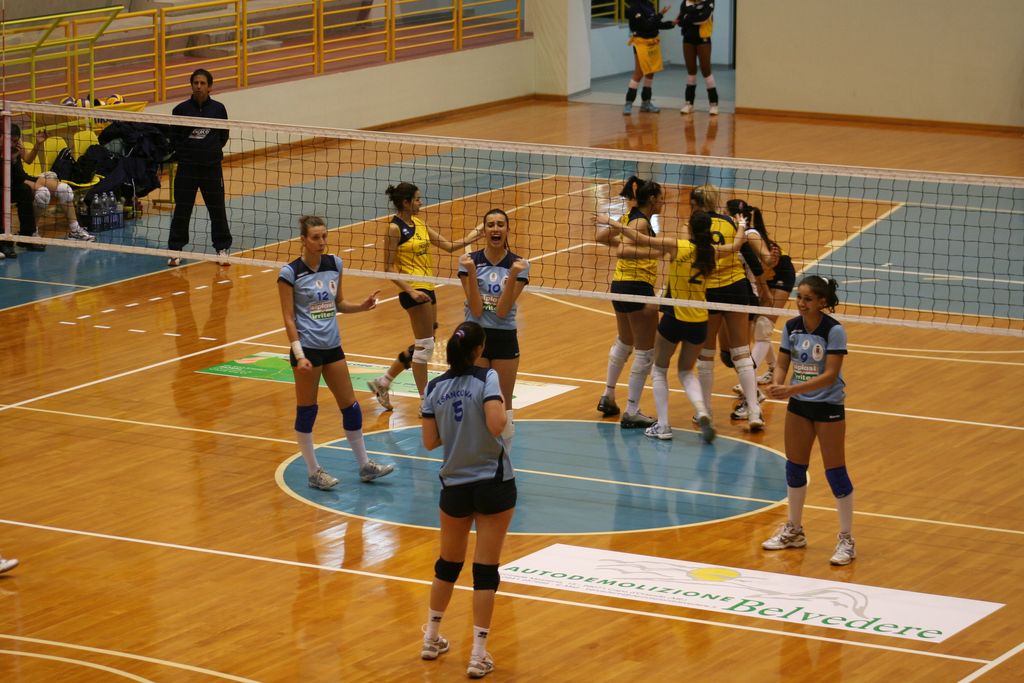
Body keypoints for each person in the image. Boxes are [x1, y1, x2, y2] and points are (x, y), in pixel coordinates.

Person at [419, 321, 513, 679]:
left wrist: (458, 428)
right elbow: (496, 425)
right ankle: (477, 654)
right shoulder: (487, 378)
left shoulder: (434, 387)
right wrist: (496, 409)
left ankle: (431, 638)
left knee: (448, 563)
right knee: (485, 570)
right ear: (478, 350)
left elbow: (429, 441)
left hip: (454, 485)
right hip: (492, 482)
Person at [278, 215, 394, 490]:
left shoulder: (335, 264)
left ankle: (365, 465)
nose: (321, 242)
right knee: (307, 410)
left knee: (351, 407)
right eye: (315, 238)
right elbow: (288, 318)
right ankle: (313, 471)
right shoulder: (290, 273)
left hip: (332, 347)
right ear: (303, 240)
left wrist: (362, 307)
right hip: (307, 350)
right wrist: (299, 354)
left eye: (324, 236)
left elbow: (338, 303)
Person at [762, 276, 855, 566]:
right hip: (799, 406)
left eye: (807, 299)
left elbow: (830, 375)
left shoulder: (833, 330)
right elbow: (782, 364)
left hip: (827, 406)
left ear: (821, 302)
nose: (801, 303)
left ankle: (846, 539)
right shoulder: (791, 327)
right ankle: (794, 530)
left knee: (835, 472)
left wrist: (790, 390)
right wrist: (777, 384)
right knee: (794, 467)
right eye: (799, 297)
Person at [604, 210, 719, 443]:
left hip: (674, 317)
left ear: (691, 228)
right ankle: (702, 411)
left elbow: (642, 239)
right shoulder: (711, 253)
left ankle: (663, 426)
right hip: (699, 320)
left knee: (659, 369)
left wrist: (610, 222)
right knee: (686, 371)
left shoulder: (677, 246)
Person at [366, 182, 483, 410]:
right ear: (406, 202)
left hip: (428, 288)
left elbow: (449, 246)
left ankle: (384, 382)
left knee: (425, 344)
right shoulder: (394, 229)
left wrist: (476, 235)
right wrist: (410, 290)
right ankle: (425, 402)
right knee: (425, 346)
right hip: (412, 291)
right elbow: (387, 268)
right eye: (417, 199)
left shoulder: (419, 223)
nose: (421, 202)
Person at [690, 183, 766, 431]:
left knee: (706, 355)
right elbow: (747, 255)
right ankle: (754, 411)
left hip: (710, 290)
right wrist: (763, 287)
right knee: (741, 352)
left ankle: (706, 412)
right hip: (736, 287)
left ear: (696, 204)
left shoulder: (696, 224)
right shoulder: (730, 222)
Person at [594, 178, 664, 428]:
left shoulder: (629, 218)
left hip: (620, 286)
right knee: (646, 352)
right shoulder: (640, 222)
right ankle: (632, 409)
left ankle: (608, 395)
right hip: (637, 287)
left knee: (625, 341)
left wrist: (625, 240)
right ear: (652, 199)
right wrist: (654, 251)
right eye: (661, 197)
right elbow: (623, 250)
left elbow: (602, 237)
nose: (663, 202)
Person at [458, 209, 528, 451]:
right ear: (484, 231)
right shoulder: (469, 262)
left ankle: (504, 460)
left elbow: (502, 311)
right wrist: (472, 272)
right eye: (490, 225)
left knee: (503, 402)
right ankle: (477, 456)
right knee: (477, 400)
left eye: (500, 224)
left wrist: (513, 276)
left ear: (507, 230)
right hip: (475, 336)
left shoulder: (518, 265)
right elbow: (477, 310)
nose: (495, 229)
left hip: (504, 337)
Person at [726, 200, 794, 419]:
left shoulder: (751, 233)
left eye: (726, 213)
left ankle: (750, 378)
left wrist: (770, 260)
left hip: (781, 276)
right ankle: (773, 367)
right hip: (764, 279)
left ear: (736, 216)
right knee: (758, 325)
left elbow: (766, 261)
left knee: (763, 328)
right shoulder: (738, 234)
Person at [167, 68, 232, 267]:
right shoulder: (180, 110)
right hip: (187, 169)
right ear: (191, 85)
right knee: (182, 209)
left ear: (209, 87)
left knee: (217, 209)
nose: (198, 86)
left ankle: (222, 248)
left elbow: (223, 136)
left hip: (211, 168)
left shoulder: (218, 109)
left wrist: (210, 151)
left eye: (202, 83)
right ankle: (175, 250)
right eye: (195, 83)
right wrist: (188, 154)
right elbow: (175, 138)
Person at [1, 123, 46, 259]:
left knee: (25, 191)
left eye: (15, 141)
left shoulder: (14, 150)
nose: (12, 144)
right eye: (10, 140)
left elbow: (20, 176)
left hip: (9, 185)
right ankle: (3, 242)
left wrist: (14, 159)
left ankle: (26, 236)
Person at [623, 1, 676, 115]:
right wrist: (660, 14)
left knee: (650, 73)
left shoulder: (650, 5)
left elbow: (655, 24)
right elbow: (645, 25)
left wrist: (671, 24)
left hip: (653, 43)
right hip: (641, 42)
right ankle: (628, 103)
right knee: (639, 73)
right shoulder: (634, 7)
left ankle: (646, 103)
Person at [678, 0, 718, 115]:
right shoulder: (685, 2)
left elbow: (703, 18)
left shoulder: (709, 1)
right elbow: (680, 21)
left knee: (706, 70)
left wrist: (687, 17)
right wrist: (692, 16)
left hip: (703, 39)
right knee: (691, 70)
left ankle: (714, 104)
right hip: (688, 38)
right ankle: (689, 103)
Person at [32, 171, 96, 242]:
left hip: (32, 177)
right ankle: (32, 231)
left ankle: (75, 231)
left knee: (64, 189)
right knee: (42, 194)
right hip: (23, 178)